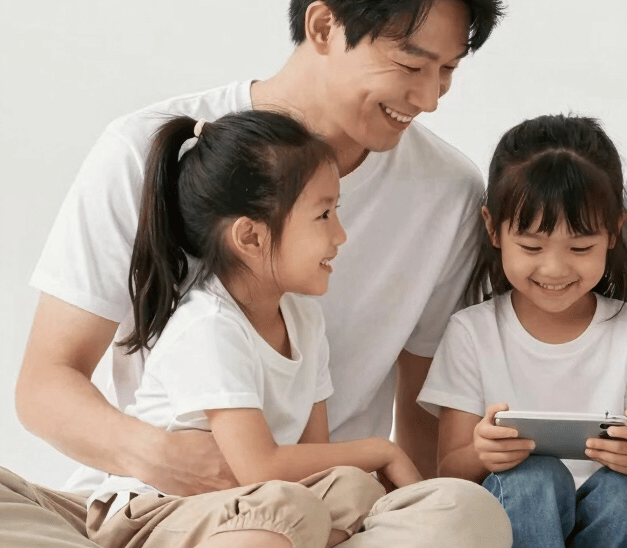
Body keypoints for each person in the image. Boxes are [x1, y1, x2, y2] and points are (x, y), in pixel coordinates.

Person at [6, 1, 512, 547]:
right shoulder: (147, 149)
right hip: (161, 507)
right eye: (412, 66)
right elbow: (45, 384)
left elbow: (421, 420)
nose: (431, 99)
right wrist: (169, 458)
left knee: (464, 515)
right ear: (324, 26)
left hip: (323, 508)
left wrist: (402, 508)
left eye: (449, 69)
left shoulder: (448, 191)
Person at [89, 109, 418, 547]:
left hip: (256, 500)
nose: (340, 235)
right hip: (157, 512)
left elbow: (315, 460)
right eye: (324, 215)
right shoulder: (209, 328)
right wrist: (383, 450)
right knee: (291, 509)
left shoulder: (304, 319)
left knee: (350, 488)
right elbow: (259, 469)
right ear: (250, 237)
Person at [417, 114, 627, 548]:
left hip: (615, 519)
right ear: (493, 228)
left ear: (614, 231)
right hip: (514, 515)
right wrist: (483, 453)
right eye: (531, 247)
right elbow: (449, 469)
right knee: (534, 476)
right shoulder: (472, 331)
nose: (555, 268)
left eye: (580, 248)